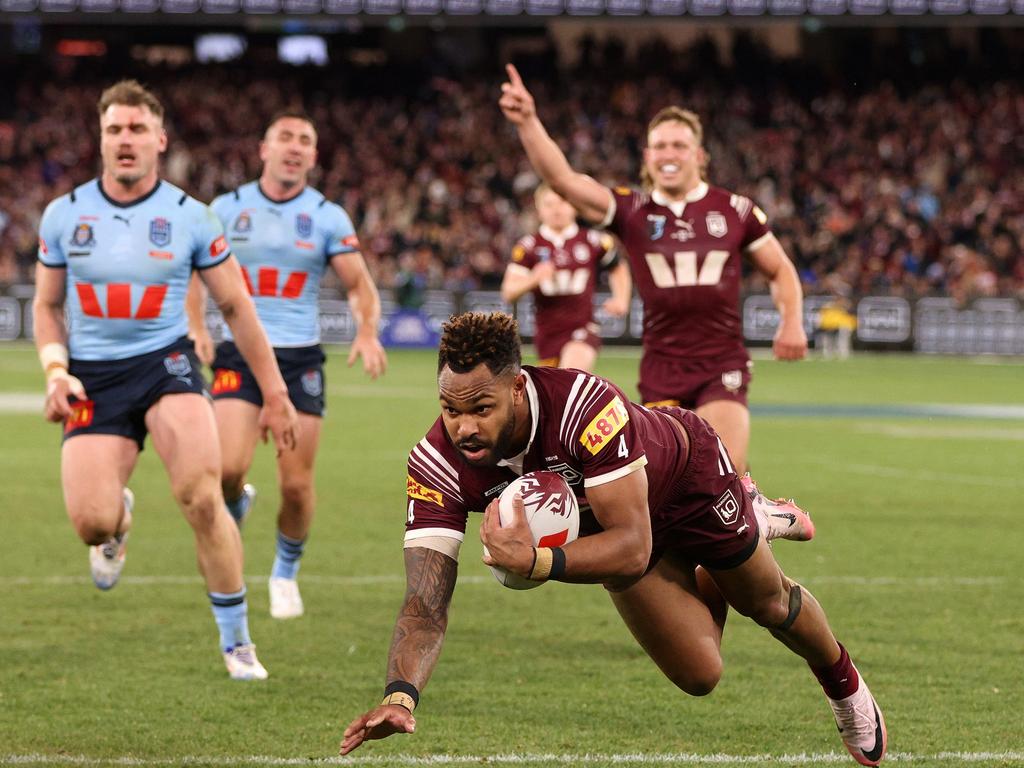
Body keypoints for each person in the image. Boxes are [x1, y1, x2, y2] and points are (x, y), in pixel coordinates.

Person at [340, 312, 884, 767]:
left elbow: (633, 548)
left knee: (764, 601)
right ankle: (719, 554)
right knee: (700, 676)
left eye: (481, 409)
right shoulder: (434, 465)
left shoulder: (582, 405)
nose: (464, 428)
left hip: (686, 478)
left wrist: (537, 562)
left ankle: (842, 681)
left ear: (518, 386)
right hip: (612, 532)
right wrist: (400, 695)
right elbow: (425, 602)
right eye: (450, 409)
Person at [33, 80, 298, 680]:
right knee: (90, 523)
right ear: (100, 139)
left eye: (136, 129)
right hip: (93, 376)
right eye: (114, 130)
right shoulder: (64, 215)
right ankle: (117, 523)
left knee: (202, 498)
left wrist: (275, 392)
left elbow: (237, 308)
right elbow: (47, 307)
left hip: (168, 365)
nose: (125, 140)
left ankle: (237, 643)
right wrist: (56, 369)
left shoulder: (191, 217)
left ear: (160, 139)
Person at [498, 64, 808, 473]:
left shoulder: (734, 210)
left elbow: (781, 270)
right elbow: (563, 180)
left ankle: (754, 515)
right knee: (667, 487)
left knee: (724, 473)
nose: (668, 154)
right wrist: (529, 122)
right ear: (647, 156)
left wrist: (792, 322)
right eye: (659, 146)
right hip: (661, 367)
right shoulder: (632, 210)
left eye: (679, 145)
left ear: (698, 155)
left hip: (721, 363)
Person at [187, 111, 387, 620]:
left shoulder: (327, 216)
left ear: (313, 157)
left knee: (296, 485)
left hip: (299, 360)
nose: (294, 147)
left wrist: (366, 330)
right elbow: (191, 272)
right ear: (264, 148)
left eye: (305, 141)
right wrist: (195, 325)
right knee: (227, 469)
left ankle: (284, 572)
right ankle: (238, 502)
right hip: (238, 353)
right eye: (285, 138)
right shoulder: (226, 209)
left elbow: (359, 284)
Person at [500, 183, 632, 371]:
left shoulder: (593, 240)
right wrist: (534, 279)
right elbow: (508, 292)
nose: (556, 209)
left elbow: (618, 266)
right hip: (547, 335)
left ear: (574, 206)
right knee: (557, 392)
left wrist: (621, 298)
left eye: (562, 202)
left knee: (572, 373)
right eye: (549, 204)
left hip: (583, 327)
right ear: (539, 209)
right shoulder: (529, 246)